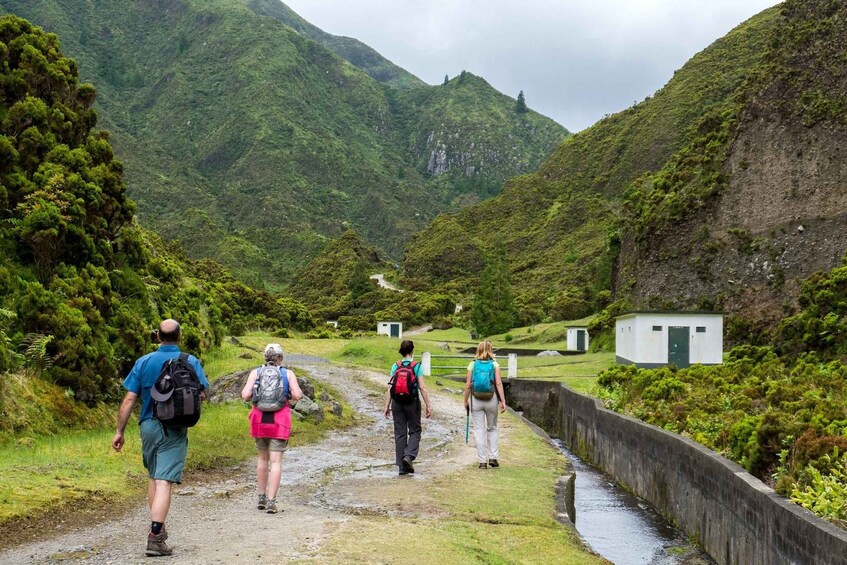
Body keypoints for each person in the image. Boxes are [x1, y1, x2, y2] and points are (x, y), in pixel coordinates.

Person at [112, 319, 209, 557]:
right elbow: (204, 392)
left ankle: (159, 525)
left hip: (148, 426)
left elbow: (129, 399)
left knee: (154, 475)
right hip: (175, 428)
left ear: (157, 337)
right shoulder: (190, 361)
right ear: (180, 336)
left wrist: (119, 431)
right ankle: (155, 537)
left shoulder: (143, 362)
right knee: (164, 480)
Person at [240, 343, 302, 514]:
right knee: (276, 461)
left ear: (265, 357)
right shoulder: (287, 373)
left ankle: (261, 497)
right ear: (280, 358)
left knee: (262, 459)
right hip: (280, 419)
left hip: (259, 418)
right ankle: (272, 501)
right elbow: (297, 395)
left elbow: (245, 396)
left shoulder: (256, 372)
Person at [384, 339, 432, 475]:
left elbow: (390, 387)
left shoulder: (396, 366)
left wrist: (386, 405)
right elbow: (422, 387)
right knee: (415, 431)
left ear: (401, 350)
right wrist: (428, 404)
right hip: (412, 402)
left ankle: (401, 467)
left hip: (397, 402)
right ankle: (408, 456)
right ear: (412, 351)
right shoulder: (416, 366)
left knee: (400, 433)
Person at [463, 340, 507, 469]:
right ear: (490, 350)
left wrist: (465, 401)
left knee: (479, 430)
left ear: (478, 350)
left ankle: (482, 461)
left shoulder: (472, 364)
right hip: (491, 399)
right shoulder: (494, 365)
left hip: (476, 400)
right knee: (492, 428)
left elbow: (467, 385)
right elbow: (498, 384)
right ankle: (493, 457)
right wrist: (502, 401)